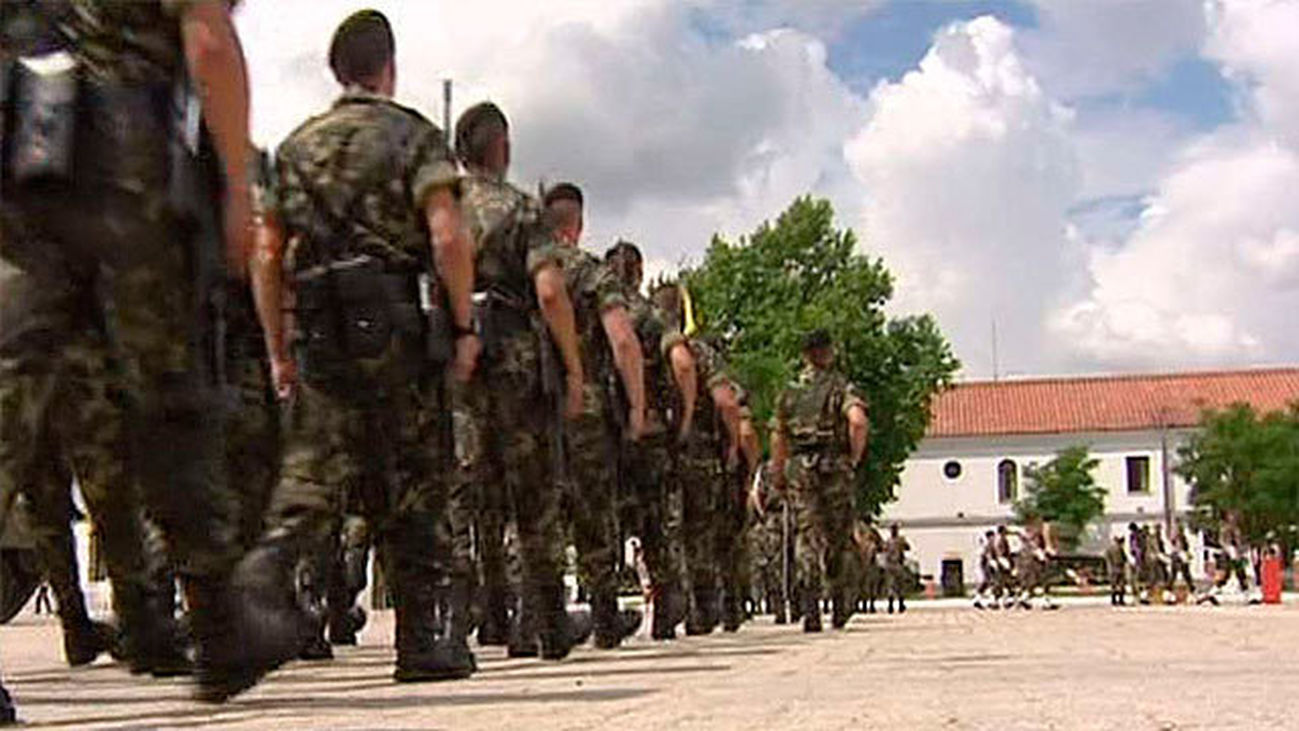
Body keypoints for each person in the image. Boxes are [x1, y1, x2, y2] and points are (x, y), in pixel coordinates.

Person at [0, 0, 279, 706]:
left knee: (11, 399)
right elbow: (208, 37)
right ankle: (219, 625)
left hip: (25, 153)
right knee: (167, 394)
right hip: (120, 156)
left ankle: (206, 623)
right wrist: (241, 187)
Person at [234, 9, 479, 686]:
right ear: (388, 66)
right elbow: (448, 236)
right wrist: (462, 327)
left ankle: (272, 581)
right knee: (415, 483)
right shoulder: (412, 136)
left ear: (336, 71)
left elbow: (266, 251)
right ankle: (425, 641)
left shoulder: (296, 147)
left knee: (313, 476)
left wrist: (278, 345)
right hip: (396, 325)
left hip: (319, 327)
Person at [452, 102, 587, 659]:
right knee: (532, 493)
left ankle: (452, 622)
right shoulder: (520, 210)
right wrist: (574, 367)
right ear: (502, 148)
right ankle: (545, 625)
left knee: (460, 494)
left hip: (454, 355)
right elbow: (551, 292)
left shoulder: (439, 208)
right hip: (514, 354)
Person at [542, 183, 645, 649]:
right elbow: (622, 340)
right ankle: (604, 617)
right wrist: (637, 405)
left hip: (528, 403)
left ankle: (535, 616)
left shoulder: (518, 267)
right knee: (593, 510)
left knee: (535, 511)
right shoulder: (591, 273)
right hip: (583, 404)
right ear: (577, 225)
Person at [605, 241, 697, 639]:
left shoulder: (598, 311)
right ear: (639, 273)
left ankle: (603, 609)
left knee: (602, 519)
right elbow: (682, 363)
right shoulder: (654, 317)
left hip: (603, 431)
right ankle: (666, 601)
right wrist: (686, 416)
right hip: (652, 431)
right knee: (656, 521)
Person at [652, 284, 743, 636]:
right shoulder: (697, 352)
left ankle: (666, 604)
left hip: (650, 446)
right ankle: (701, 609)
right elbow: (726, 401)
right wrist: (732, 443)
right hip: (696, 450)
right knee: (699, 531)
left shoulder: (640, 339)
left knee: (661, 526)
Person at [769, 329, 869, 632]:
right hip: (834, 463)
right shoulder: (842, 386)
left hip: (800, 465)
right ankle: (839, 601)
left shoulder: (789, 391)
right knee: (838, 535)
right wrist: (852, 457)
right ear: (830, 351)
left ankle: (810, 603)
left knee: (806, 534)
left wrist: (778, 471)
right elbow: (858, 421)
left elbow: (778, 434)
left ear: (804, 354)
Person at [883, 523, 910, 615]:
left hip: (889, 565)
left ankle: (891, 605)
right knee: (899, 585)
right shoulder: (900, 540)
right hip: (898, 564)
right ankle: (900, 605)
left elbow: (884, 551)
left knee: (891, 585)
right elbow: (908, 547)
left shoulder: (887, 541)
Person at [1105, 535, 1127, 606]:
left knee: (1113, 585)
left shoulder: (1109, 549)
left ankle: (1113, 600)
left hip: (1112, 568)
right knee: (1121, 585)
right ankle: (1121, 600)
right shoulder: (1120, 548)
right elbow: (1124, 558)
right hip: (1119, 568)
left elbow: (1107, 558)